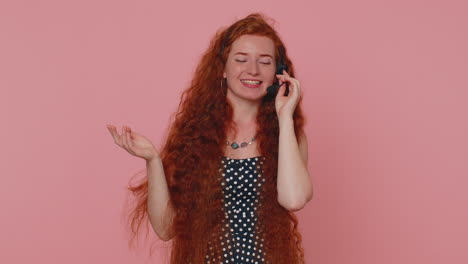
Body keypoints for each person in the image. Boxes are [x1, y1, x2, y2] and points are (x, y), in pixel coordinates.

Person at [106, 12, 313, 264]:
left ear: (279, 73)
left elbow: (294, 198)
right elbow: (165, 228)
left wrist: (285, 115)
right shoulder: (194, 135)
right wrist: (152, 160)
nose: (253, 70)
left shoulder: (288, 134)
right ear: (222, 69)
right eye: (241, 59)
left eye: (265, 61)